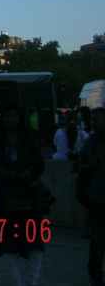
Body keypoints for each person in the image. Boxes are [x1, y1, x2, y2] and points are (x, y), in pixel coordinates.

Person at [0, 104, 47, 286]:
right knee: (10, 244)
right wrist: (16, 175)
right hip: (6, 198)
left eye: (13, 115)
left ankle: (32, 282)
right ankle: (17, 282)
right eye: (7, 115)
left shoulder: (29, 140)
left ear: (20, 118)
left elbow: (40, 164)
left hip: (29, 197)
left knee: (34, 242)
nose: (10, 119)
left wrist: (22, 175)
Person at [74, 107, 105, 286]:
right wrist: (87, 166)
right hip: (97, 197)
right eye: (92, 120)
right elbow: (78, 165)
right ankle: (95, 275)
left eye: (97, 120)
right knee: (97, 240)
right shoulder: (92, 142)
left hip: (97, 196)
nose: (93, 123)